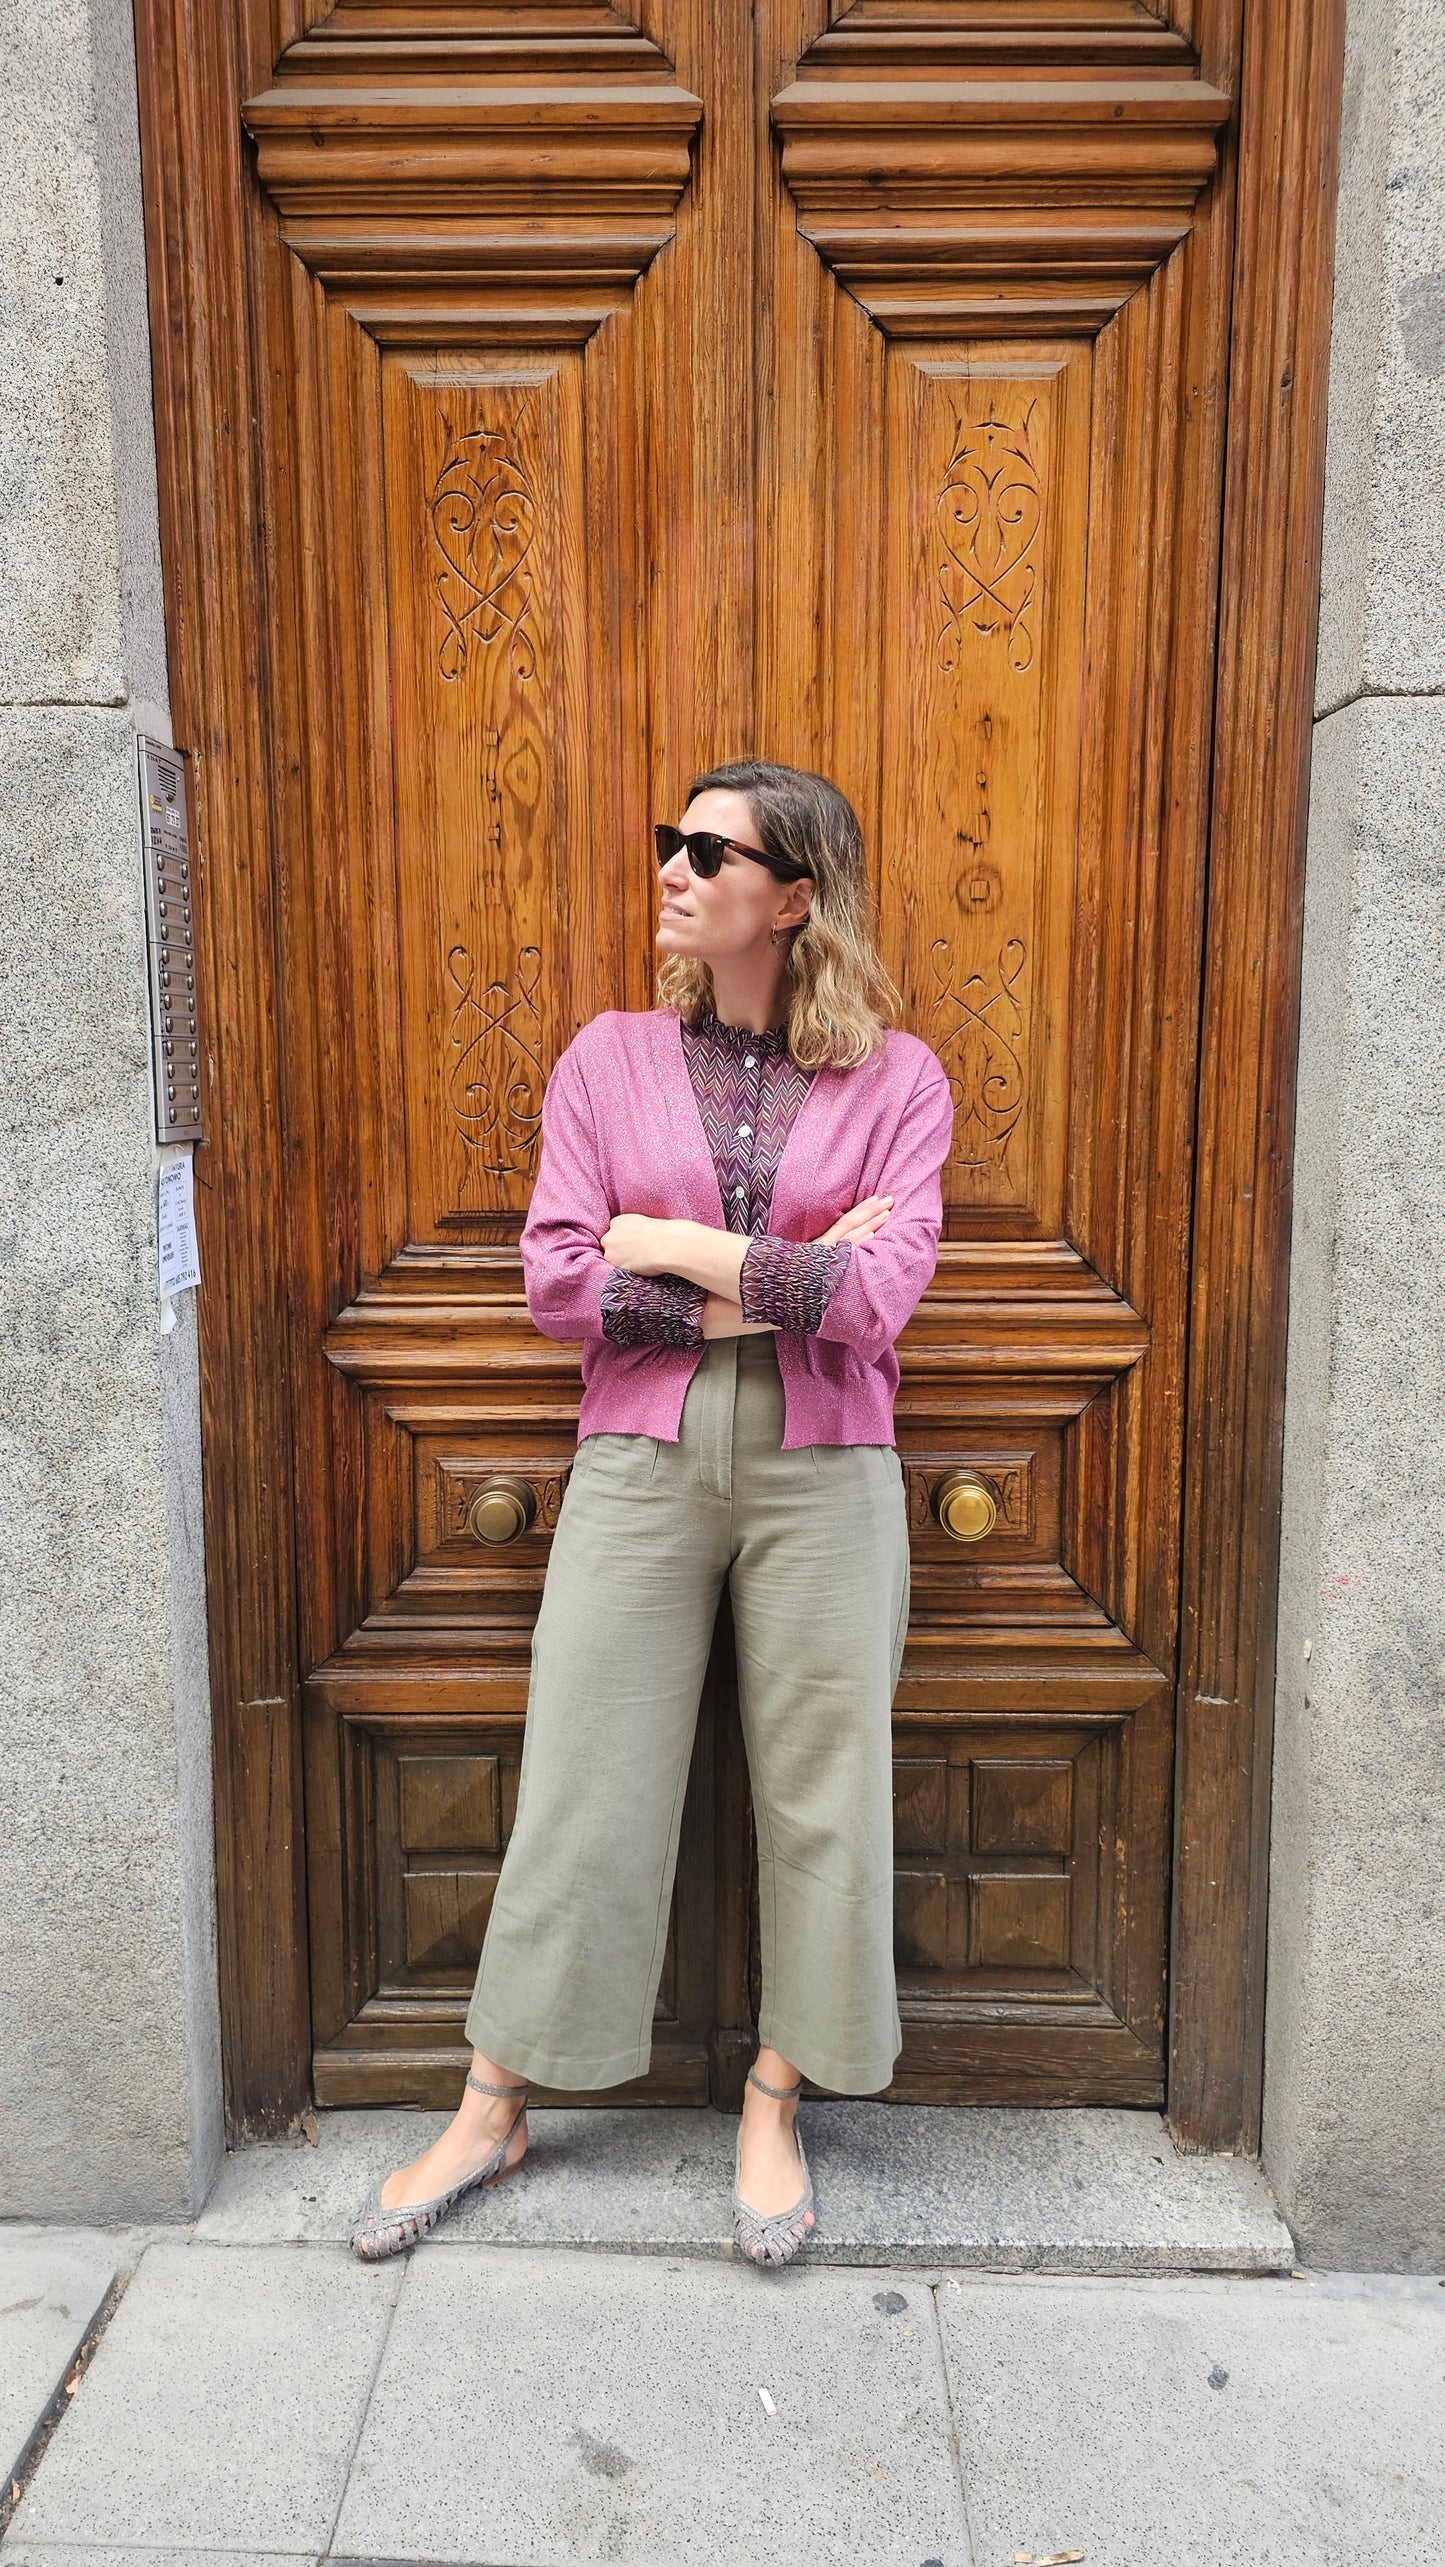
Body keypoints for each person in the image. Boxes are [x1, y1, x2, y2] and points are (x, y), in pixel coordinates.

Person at [351, 759, 955, 2268]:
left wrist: (673, 1245)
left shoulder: (899, 1079)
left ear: (794, 896)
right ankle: (495, 2103)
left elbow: (875, 1301)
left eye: (709, 851)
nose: (673, 870)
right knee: (586, 1767)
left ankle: (775, 2099)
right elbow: (560, 1283)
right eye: (670, 843)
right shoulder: (607, 1057)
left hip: (829, 1465)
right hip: (638, 1453)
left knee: (824, 1786)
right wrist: (774, 1282)